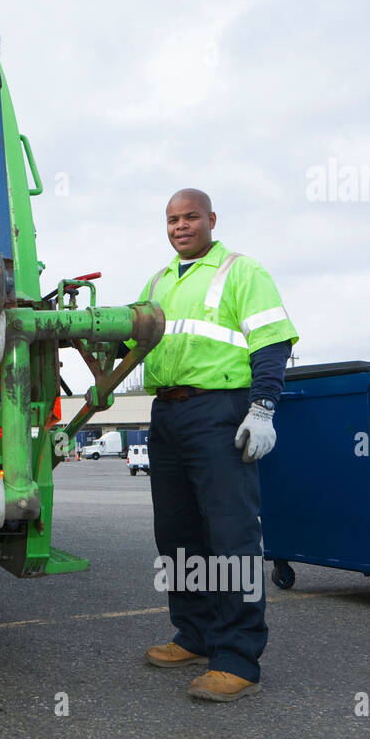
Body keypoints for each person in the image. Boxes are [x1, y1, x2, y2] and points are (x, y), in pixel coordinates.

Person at [134, 188, 297, 702]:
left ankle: (237, 658)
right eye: (172, 220)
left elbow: (271, 341)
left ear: (211, 219)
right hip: (167, 413)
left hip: (218, 411)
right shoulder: (158, 281)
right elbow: (129, 341)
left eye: (190, 217)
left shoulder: (241, 271)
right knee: (177, 534)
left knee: (231, 535)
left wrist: (263, 407)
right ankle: (195, 634)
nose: (180, 226)